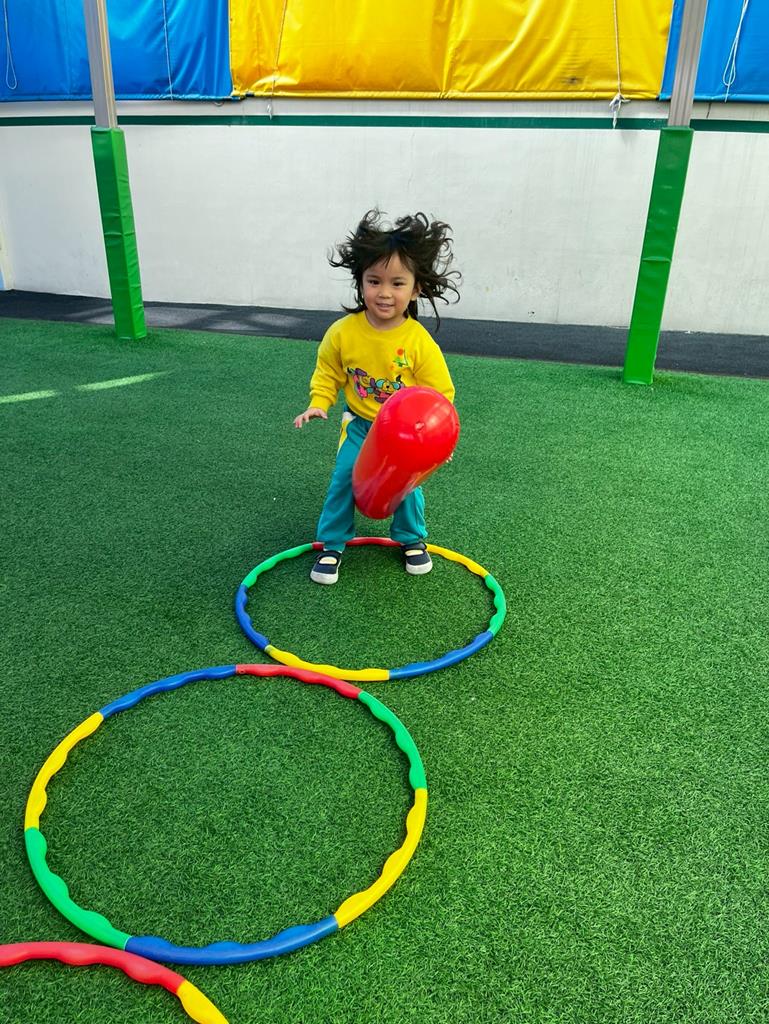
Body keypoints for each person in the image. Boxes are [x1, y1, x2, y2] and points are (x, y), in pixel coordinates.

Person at [293, 209, 460, 585]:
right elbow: (329, 371)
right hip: (360, 425)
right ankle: (332, 544)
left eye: (397, 283)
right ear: (361, 283)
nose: (385, 293)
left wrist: (438, 443)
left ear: (415, 289)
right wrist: (319, 402)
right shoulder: (342, 333)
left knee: (407, 485)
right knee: (344, 477)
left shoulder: (418, 341)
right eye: (374, 281)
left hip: (406, 435)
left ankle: (411, 539)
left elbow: (440, 394)